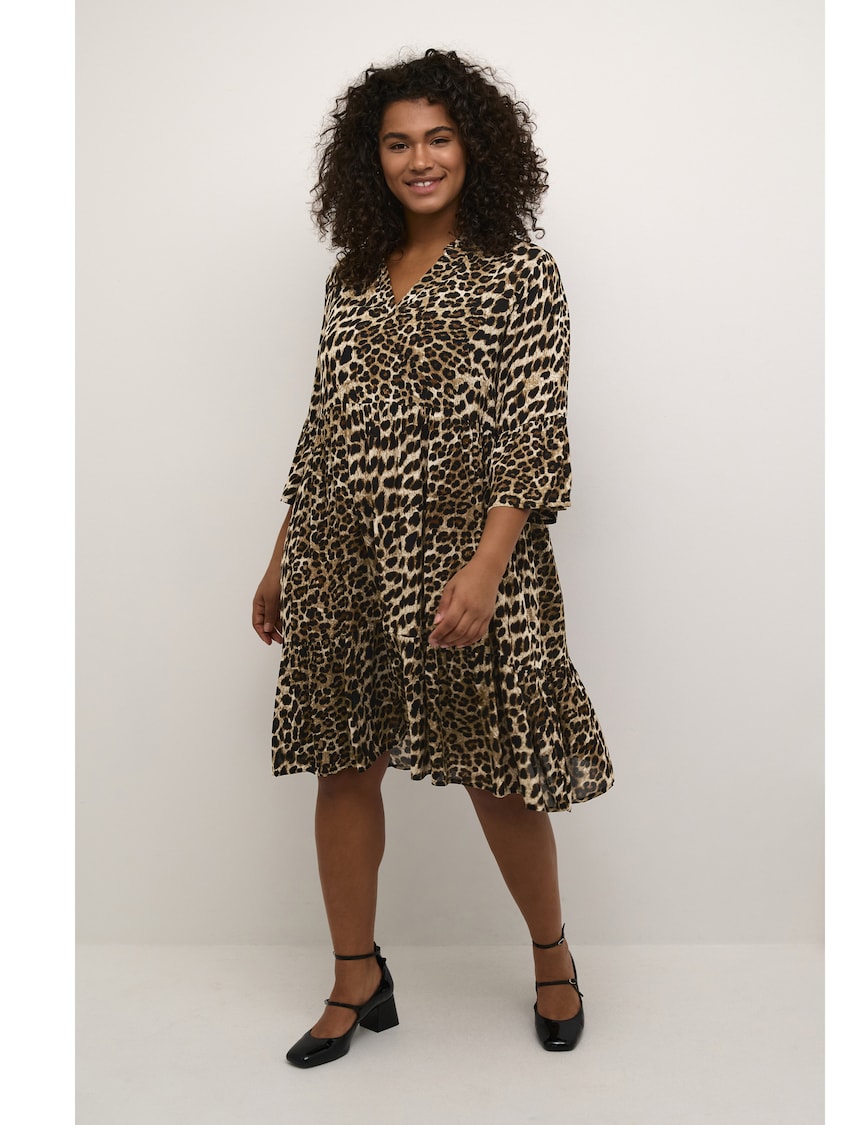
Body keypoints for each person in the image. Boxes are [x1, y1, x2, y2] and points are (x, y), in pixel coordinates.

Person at [252, 48, 614, 1068]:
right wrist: (281, 558)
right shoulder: (351, 278)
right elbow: (324, 428)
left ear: (474, 148)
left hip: (468, 552)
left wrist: (489, 567)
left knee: (502, 773)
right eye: (398, 142)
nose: (420, 159)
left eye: (439, 138)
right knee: (342, 762)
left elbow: (533, 428)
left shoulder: (520, 272)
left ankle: (552, 956)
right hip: (344, 553)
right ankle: (354, 975)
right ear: (370, 160)